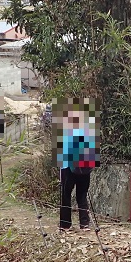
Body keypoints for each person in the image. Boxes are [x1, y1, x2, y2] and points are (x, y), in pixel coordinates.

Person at [51, 99, 100, 231]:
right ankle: (84, 224)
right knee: (82, 194)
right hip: (85, 166)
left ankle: (65, 224)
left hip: (68, 166)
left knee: (66, 195)